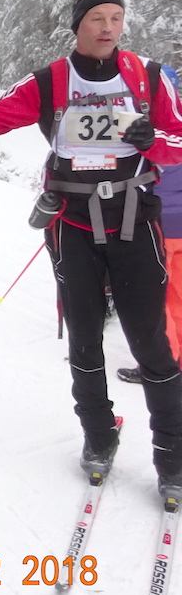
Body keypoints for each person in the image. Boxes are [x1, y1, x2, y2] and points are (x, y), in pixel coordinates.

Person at [0, 0, 182, 500]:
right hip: (72, 224)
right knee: (84, 337)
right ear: (77, 25)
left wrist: (151, 141)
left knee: (151, 341)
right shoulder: (49, 82)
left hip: (136, 221)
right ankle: (98, 436)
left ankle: (172, 456)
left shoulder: (150, 77)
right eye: (97, 18)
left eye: (116, 17)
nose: (108, 27)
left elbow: (179, 141)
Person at [119, 65, 182, 384]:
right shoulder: (177, 126)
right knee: (178, 297)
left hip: (158, 227)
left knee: (159, 300)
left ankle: (164, 363)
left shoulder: (140, 130)